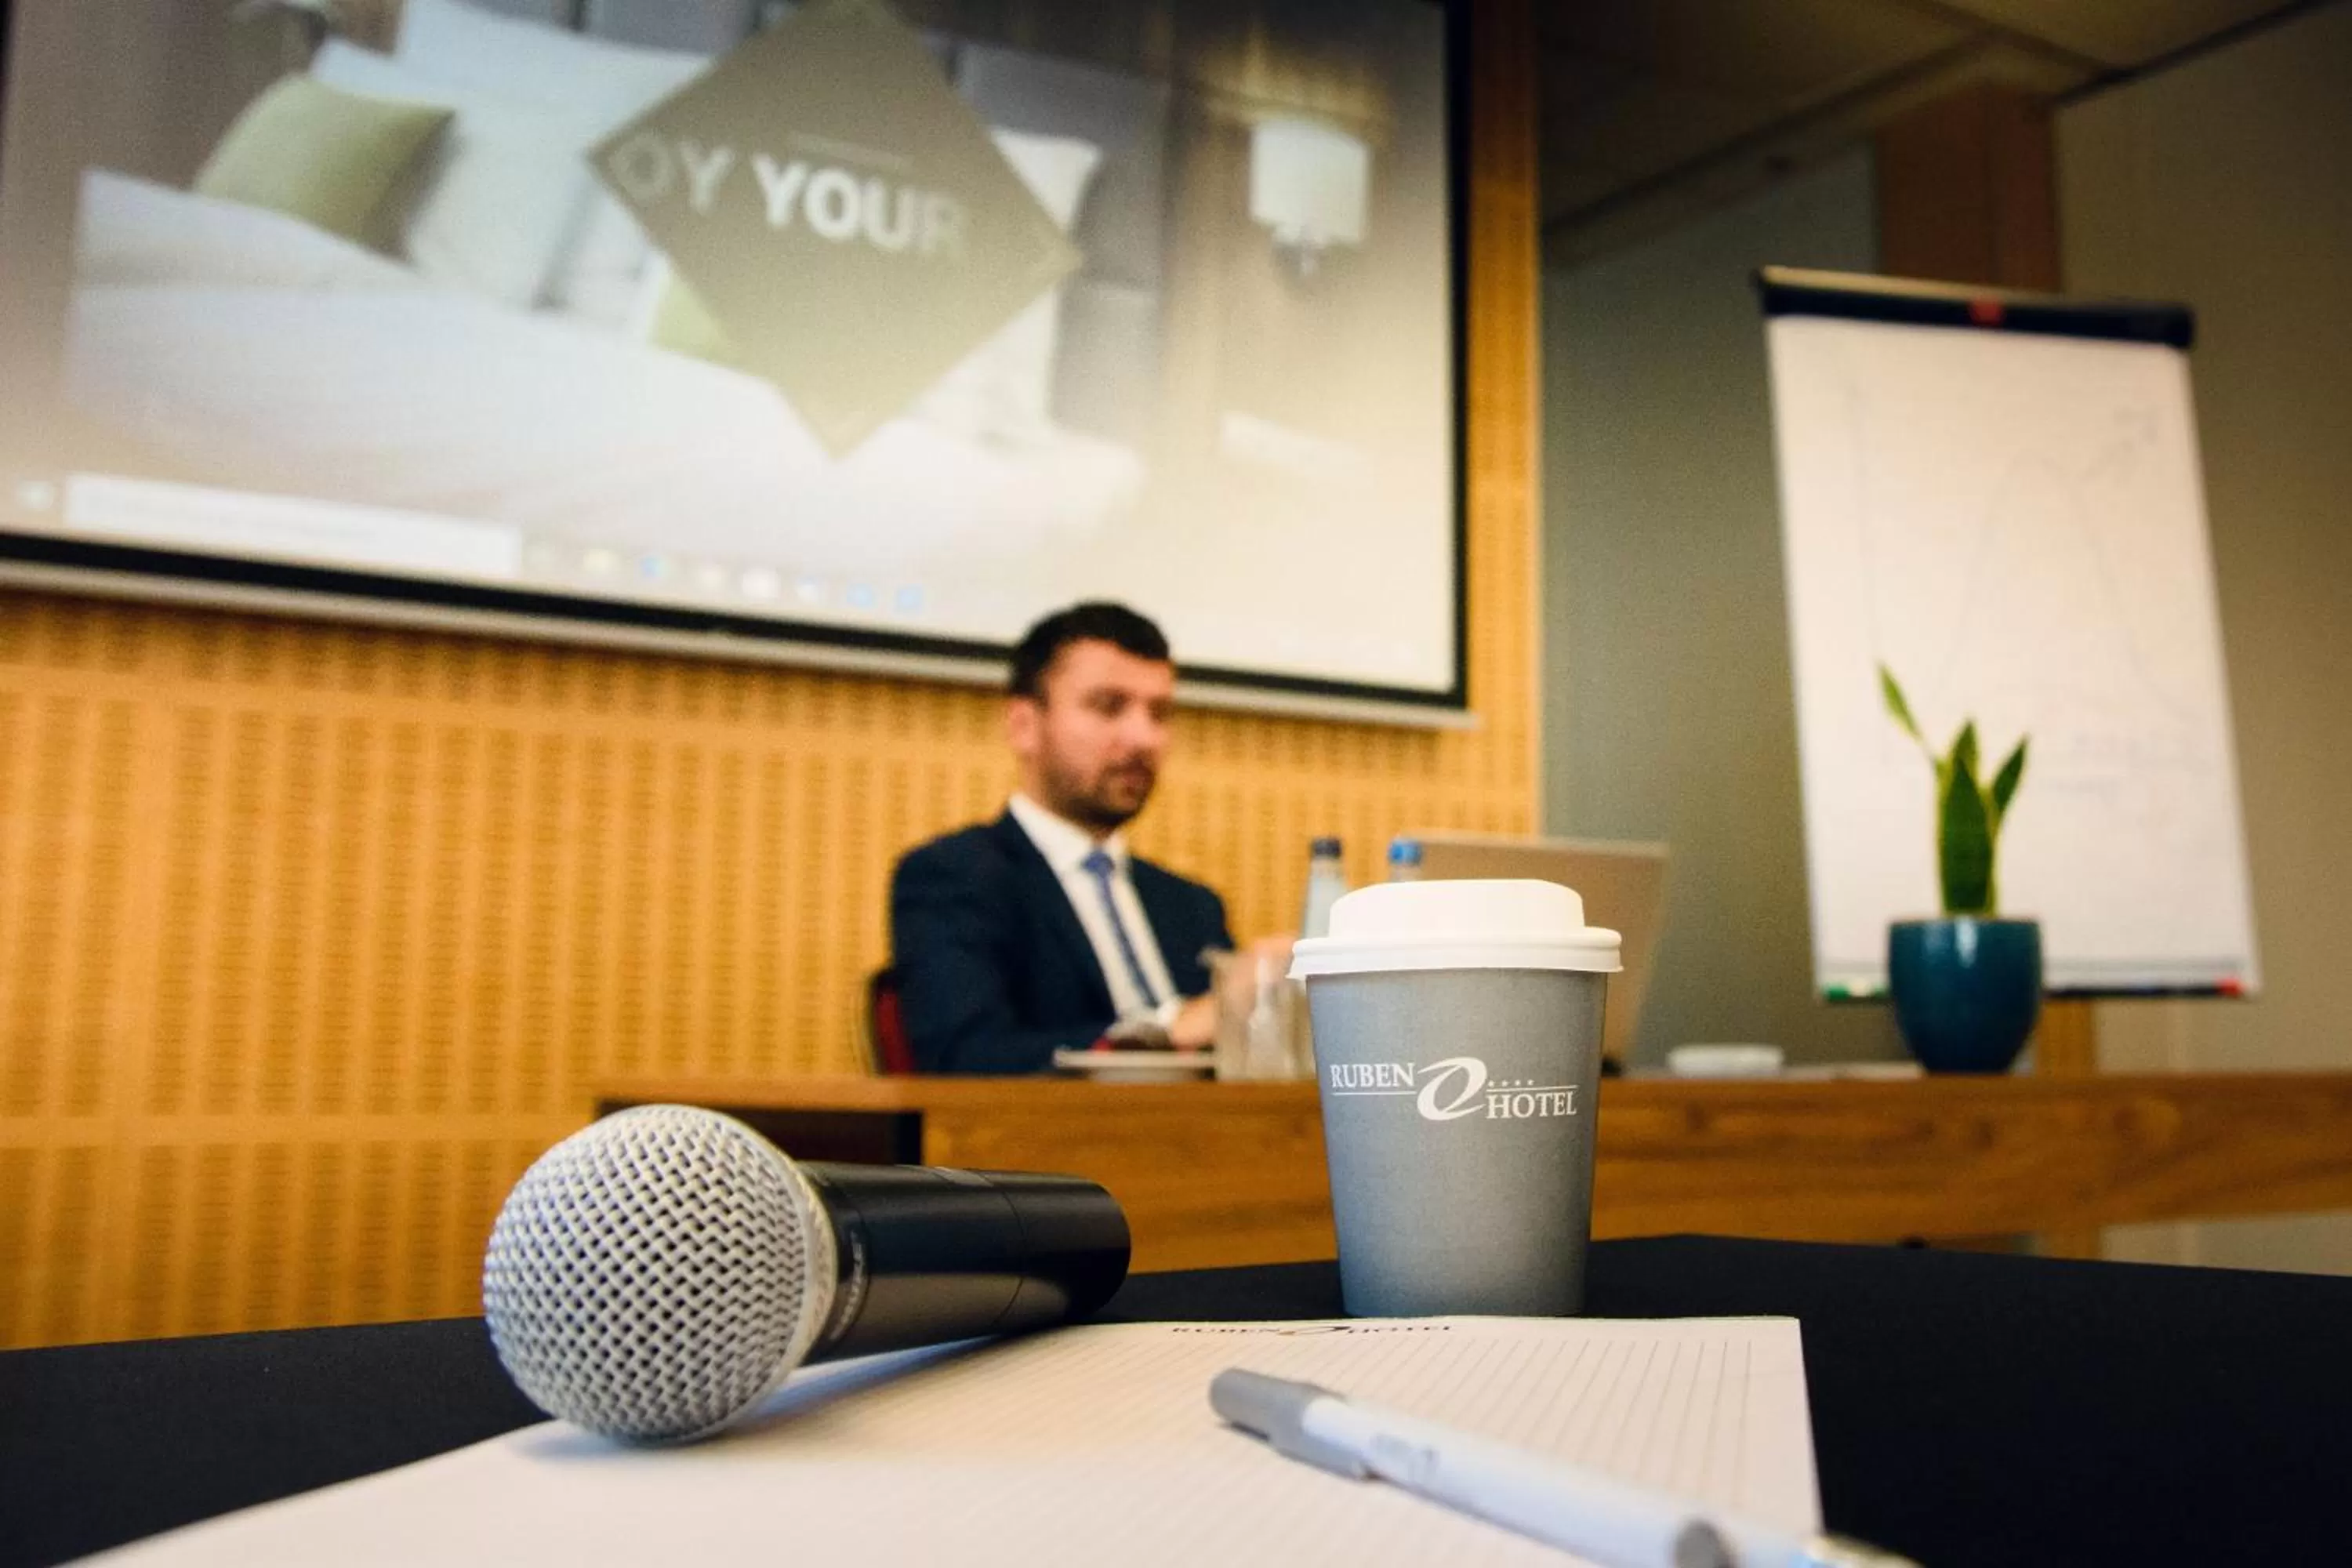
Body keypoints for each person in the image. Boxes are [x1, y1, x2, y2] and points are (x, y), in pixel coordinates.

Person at [890, 602, 1232, 1074]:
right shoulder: (953, 878)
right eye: (1109, 706)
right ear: (1023, 725)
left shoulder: (1193, 906)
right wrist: (1166, 1031)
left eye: (1159, 713)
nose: (1143, 737)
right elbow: (964, 1058)